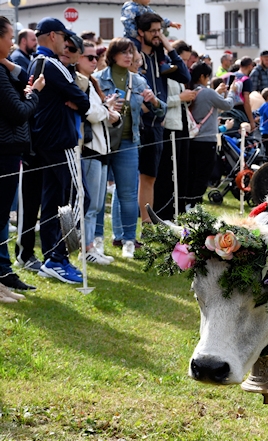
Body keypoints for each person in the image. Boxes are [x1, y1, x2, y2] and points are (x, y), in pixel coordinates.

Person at [27, 17, 90, 283]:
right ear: (53, 36)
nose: (67, 44)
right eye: (64, 38)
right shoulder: (51, 63)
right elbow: (81, 98)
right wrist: (79, 102)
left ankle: (53, 256)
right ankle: (59, 255)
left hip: (44, 140)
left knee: (53, 201)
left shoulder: (34, 61)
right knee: (79, 197)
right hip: (60, 141)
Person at [95, 37, 164, 258]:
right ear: (112, 55)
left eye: (131, 52)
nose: (128, 56)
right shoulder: (97, 79)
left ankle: (128, 240)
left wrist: (153, 101)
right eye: (123, 52)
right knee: (97, 195)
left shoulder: (139, 81)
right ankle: (96, 240)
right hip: (101, 142)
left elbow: (162, 111)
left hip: (129, 142)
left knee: (127, 193)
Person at [0, 16, 43, 294]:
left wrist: (6, 62)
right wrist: (35, 94)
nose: (13, 42)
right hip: (4, 150)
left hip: (8, 150)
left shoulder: (2, 68)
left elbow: (21, 77)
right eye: (10, 37)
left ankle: (3, 272)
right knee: (0, 216)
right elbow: (19, 111)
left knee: (2, 216)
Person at [135, 13, 189, 228]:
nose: (158, 35)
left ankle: (148, 223)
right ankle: (129, 229)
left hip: (158, 123)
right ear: (141, 32)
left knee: (151, 176)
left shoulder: (161, 57)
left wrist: (168, 46)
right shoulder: (134, 53)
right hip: (139, 121)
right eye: (153, 31)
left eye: (160, 30)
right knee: (133, 179)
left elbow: (184, 76)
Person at [76, 40, 119, 265]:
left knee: (97, 204)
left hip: (102, 149)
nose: (95, 61)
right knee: (90, 204)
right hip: (89, 149)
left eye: (96, 57)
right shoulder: (79, 81)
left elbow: (105, 114)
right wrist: (106, 110)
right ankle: (86, 248)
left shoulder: (91, 82)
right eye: (89, 57)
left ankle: (91, 245)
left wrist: (108, 110)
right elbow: (91, 113)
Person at [152, 39, 194, 220]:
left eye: (187, 61)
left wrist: (188, 97)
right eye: (182, 60)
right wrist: (180, 97)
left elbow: (181, 98)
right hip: (169, 126)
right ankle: (165, 211)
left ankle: (179, 208)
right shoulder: (164, 73)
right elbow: (159, 101)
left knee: (182, 170)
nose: (185, 64)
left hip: (182, 124)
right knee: (167, 172)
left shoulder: (180, 75)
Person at [186, 61, 233, 209]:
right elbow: (227, 105)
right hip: (207, 139)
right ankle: (195, 203)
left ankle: (188, 201)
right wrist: (232, 92)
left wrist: (216, 92)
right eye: (207, 76)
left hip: (191, 138)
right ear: (202, 76)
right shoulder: (208, 92)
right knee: (203, 174)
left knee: (191, 172)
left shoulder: (191, 91)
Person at [120, 0, 181, 74]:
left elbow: (156, 18)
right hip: (132, 36)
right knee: (135, 48)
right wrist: (136, 35)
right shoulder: (130, 8)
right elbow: (127, 23)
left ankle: (162, 64)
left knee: (158, 44)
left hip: (142, 34)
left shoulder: (146, 8)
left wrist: (170, 23)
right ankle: (137, 66)